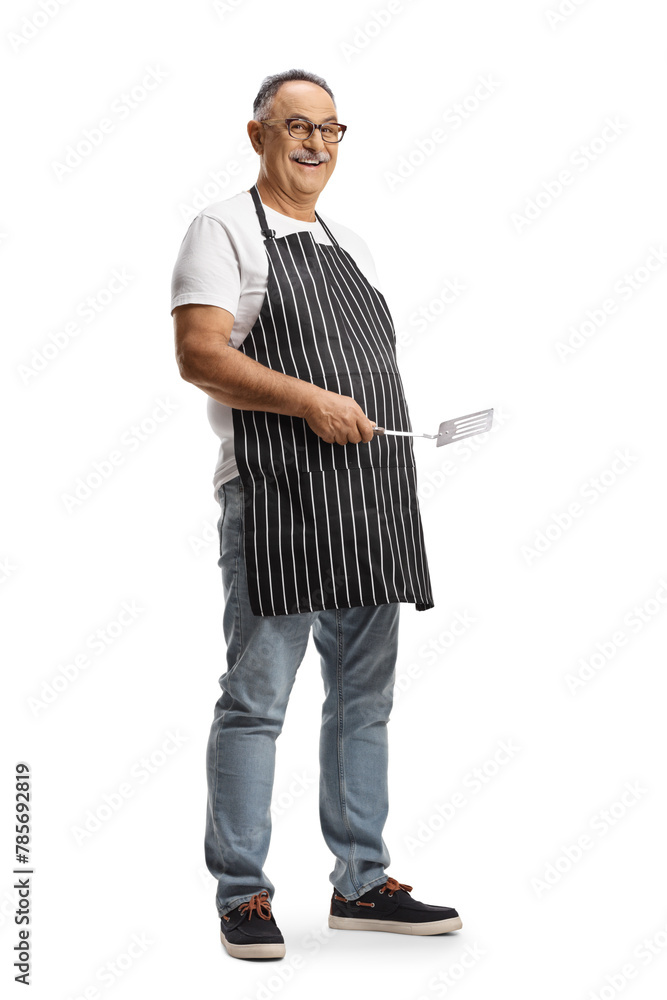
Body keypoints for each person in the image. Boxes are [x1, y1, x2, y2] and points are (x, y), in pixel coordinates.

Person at [171, 68, 462, 961]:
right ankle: (243, 896)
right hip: (278, 499)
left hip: (369, 498)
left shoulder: (350, 242)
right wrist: (308, 401)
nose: (314, 143)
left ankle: (362, 882)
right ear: (257, 134)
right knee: (257, 700)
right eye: (295, 126)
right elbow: (198, 355)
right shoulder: (221, 229)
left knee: (363, 701)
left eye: (330, 129)